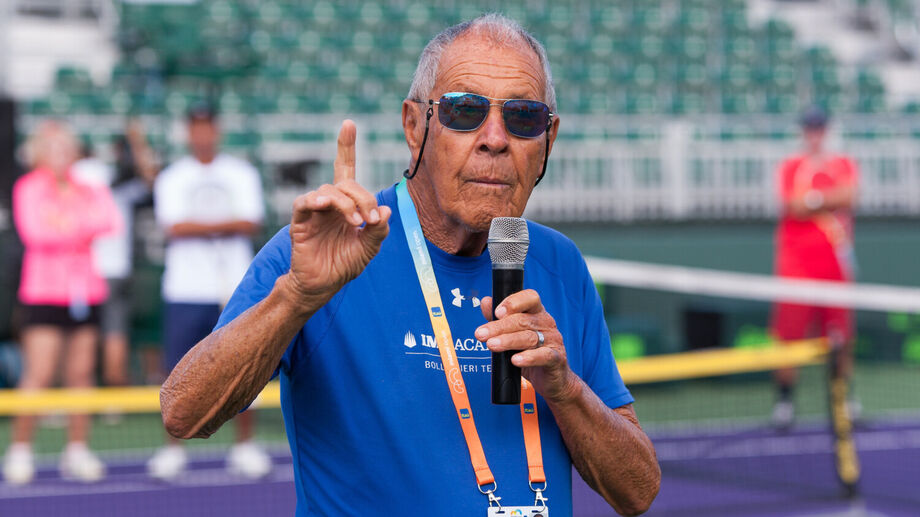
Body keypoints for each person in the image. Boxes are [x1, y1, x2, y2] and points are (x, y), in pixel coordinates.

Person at [160, 15, 660, 516]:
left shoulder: (559, 264)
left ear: (548, 138)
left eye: (523, 118)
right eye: (465, 111)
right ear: (415, 127)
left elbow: (637, 492)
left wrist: (565, 389)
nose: (495, 138)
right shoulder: (328, 249)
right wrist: (297, 297)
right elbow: (184, 414)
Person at [148, 102, 271, 480]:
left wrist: (199, 225)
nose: (202, 134)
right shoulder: (173, 177)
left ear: (216, 130)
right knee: (177, 369)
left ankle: (245, 445)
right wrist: (223, 224)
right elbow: (173, 227)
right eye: (196, 127)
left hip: (234, 287)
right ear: (188, 132)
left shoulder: (241, 173)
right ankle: (172, 449)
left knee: (243, 367)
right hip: (185, 288)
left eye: (207, 126)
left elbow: (251, 221)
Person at [3, 121, 123, 484]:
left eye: (66, 148)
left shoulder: (89, 186)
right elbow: (36, 234)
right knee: (38, 374)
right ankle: (20, 450)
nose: (60, 155)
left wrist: (66, 224)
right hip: (43, 293)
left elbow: (109, 222)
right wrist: (79, 226)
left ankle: (77, 449)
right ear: (40, 154)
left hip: (86, 293)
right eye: (53, 148)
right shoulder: (28, 187)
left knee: (82, 374)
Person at [770, 106, 859, 429]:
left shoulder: (843, 163)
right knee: (789, 340)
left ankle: (845, 401)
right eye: (810, 128)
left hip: (835, 269)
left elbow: (849, 195)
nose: (815, 135)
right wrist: (825, 199)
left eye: (819, 128)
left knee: (841, 338)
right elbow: (793, 204)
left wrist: (812, 200)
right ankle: (784, 403)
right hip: (796, 271)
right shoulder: (792, 166)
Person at [72, 120, 159, 391]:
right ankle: (113, 400)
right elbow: (147, 177)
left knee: (80, 338)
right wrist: (137, 141)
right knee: (112, 332)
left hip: (83, 271)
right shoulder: (113, 179)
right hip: (112, 269)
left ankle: (75, 399)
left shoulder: (77, 175)